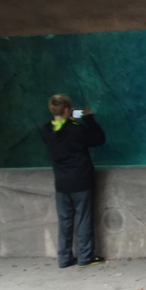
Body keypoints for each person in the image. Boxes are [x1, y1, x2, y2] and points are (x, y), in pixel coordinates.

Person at [38, 94, 106, 269]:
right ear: (68, 110)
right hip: (80, 181)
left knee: (64, 221)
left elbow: (57, 132)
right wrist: (89, 119)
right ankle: (85, 257)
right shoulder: (77, 129)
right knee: (83, 218)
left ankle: (64, 257)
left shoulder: (46, 130)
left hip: (61, 183)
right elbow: (99, 139)